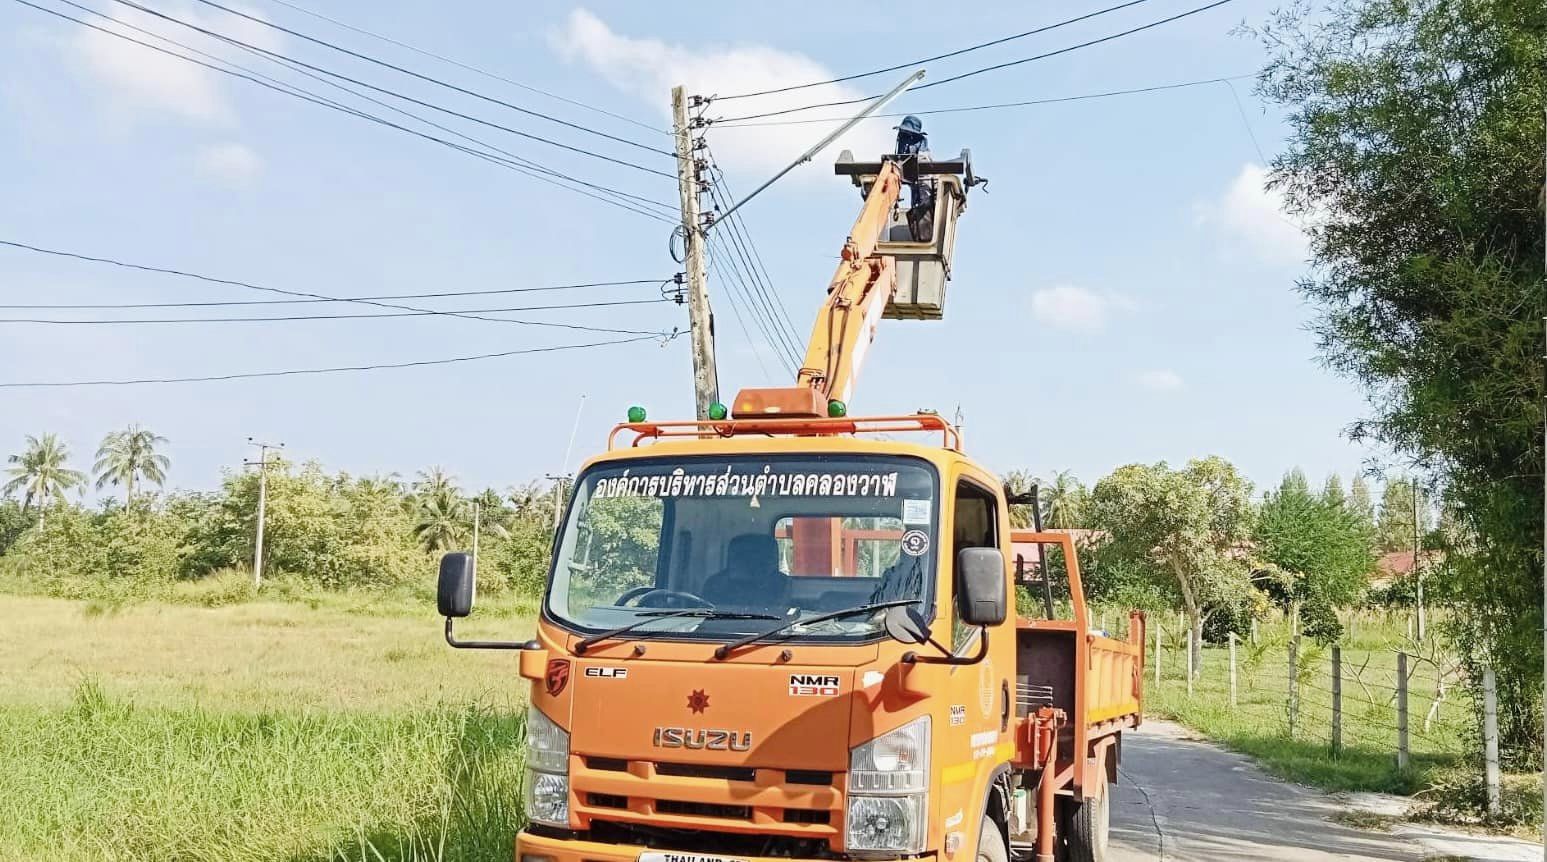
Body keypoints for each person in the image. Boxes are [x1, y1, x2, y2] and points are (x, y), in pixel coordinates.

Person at [893, 115, 935, 242]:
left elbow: (925, 190)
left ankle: (924, 237)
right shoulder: (903, 157)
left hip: (924, 199)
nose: (904, 140)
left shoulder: (923, 156)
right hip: (917, 195)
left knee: (922, 209)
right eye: (903, 135)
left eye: (907, 135)